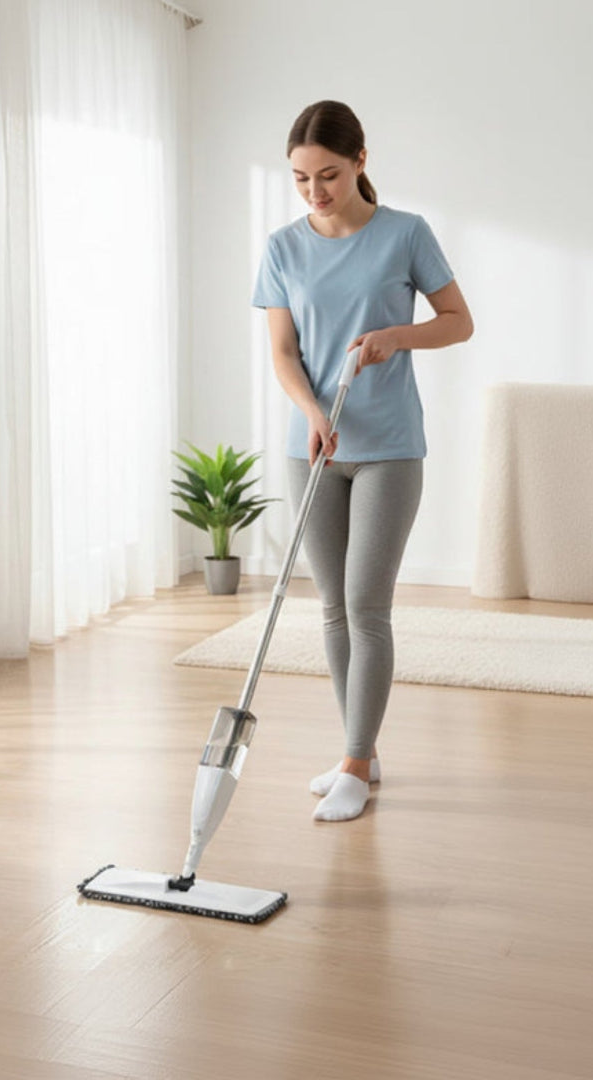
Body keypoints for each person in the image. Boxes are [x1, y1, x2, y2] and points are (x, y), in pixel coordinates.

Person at [252, 100, 473, 822]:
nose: (315, 192)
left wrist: (395, 337)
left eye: (329, 175)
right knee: (332, 611)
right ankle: (361, 750)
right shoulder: (283, 247)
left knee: (367, 605)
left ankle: (352, 762)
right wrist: (312, 414)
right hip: (314, 446)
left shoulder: (405, 235)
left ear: (361, 163)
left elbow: (458, 322)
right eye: (301, 179)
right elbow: (284, 354)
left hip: (387, 447)